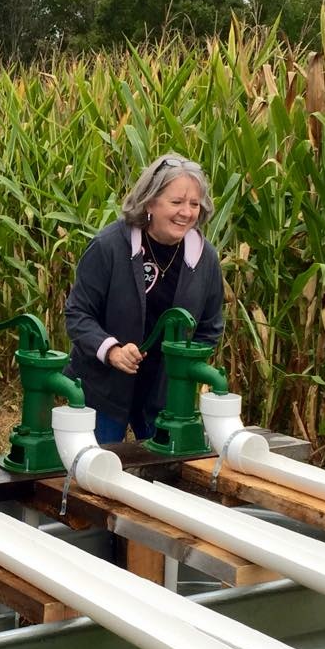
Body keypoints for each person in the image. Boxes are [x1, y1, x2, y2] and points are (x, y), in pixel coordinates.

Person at [64, 153, 224, 444]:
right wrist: (112, 351)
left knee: (164, 480)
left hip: (164, 396)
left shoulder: (206, 258)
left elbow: (210, 327)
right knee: (89, 473)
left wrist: (183, 367)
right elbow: (78, 314)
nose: (186, 213)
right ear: (150, 202)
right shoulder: (109, 247)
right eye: (176, 202)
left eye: (193, 204)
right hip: (104, 390)